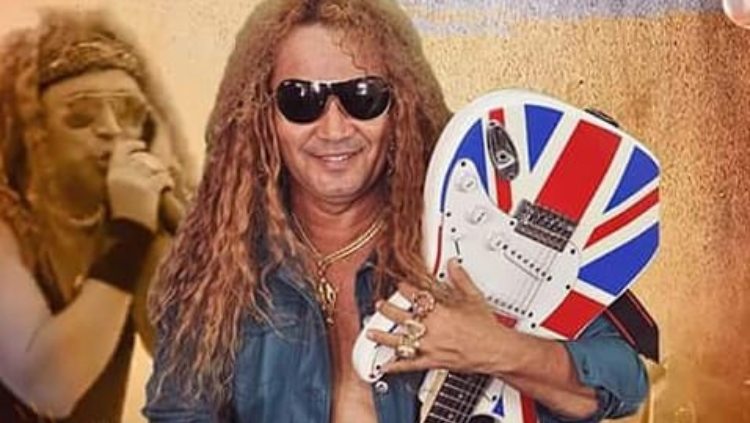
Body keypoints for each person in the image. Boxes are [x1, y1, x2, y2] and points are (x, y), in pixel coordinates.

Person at [145, 1, 648, 422]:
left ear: (400, 107)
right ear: (264, 115)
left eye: (363, 97)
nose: (334, 129)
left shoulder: (469, 232)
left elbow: (624, 381)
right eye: (302, 100)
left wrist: (493, 349)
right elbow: (178, 414)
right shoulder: (217, 271)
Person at [0, 8, 196, 422]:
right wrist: (130, 233)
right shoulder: (7, 228)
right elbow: (48, 386)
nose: (112, 129)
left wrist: (171, 227)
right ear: (33, 137)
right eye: (81, 117)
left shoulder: (131, 223)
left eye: (130, 114)